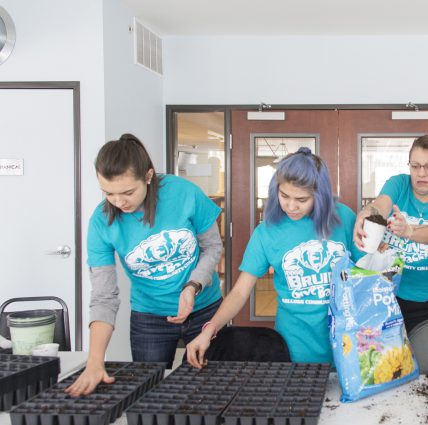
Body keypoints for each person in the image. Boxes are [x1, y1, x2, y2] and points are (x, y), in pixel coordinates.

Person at [66, 134, 223, 396]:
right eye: (108, 193)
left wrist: (192, 286)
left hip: (204, 309)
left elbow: (212, 247)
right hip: (150, 317)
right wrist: (95, 362)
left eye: (128, 192)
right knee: (150, 393)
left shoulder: (183, 192)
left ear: (148, 176)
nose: (118, 202)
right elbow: (104, 297)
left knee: (206, 390)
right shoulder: (100, 222)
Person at [187, 147, 361, 367]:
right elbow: (240, 292)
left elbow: (369, 270)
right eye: (284, 196)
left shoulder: (343, 218)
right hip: (294, 344)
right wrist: (209, 330)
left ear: (320, 195)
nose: (290, 206)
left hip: (347, 340)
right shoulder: (267, 232)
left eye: (301, 199)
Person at [353, 135, 428, 333]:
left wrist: (408, 230)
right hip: (390, 291)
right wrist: (368, 213)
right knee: (389, 356)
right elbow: (381, 205)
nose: (421, 173)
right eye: (415, 166)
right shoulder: (398, 184)